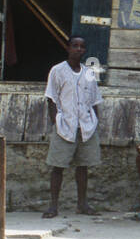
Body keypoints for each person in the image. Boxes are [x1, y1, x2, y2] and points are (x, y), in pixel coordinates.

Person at [43, 36, 103, 218]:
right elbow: (51, 98)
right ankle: (53, 206)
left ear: (85, 50)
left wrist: (94, 121)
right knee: (57, 166)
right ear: (68, 48)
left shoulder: (89, 73)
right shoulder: (58, 71)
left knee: (83, 166)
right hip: (65, 126)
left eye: (81, 46)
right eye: (74, 46)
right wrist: (56, 121)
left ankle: (82, 204)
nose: (78, 49)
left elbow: (94, 100)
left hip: (86, 126)